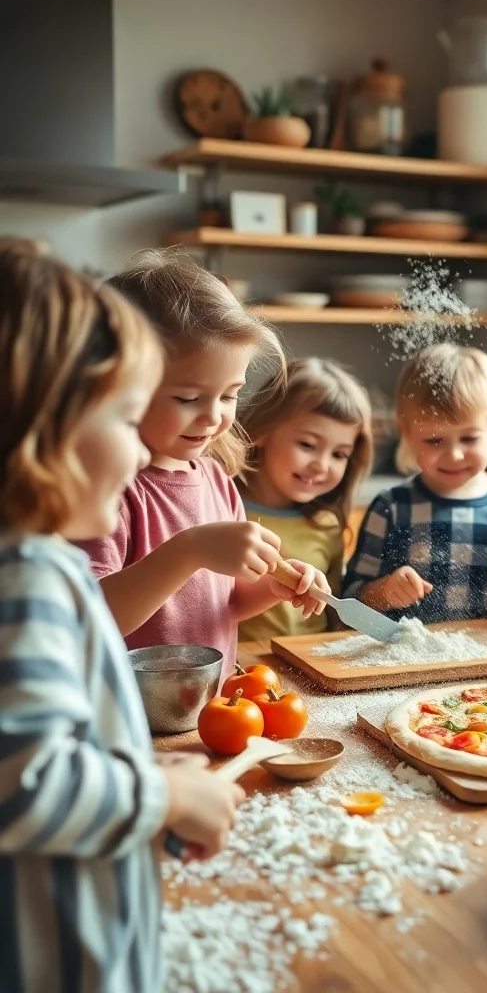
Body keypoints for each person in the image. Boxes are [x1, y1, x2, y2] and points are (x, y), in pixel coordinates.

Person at [0, 241, 243, 992]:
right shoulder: (27, 580)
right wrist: (166, 793)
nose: (142, 457)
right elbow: (23, 785)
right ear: (48, 427)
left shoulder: (42, 571)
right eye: (127, 419)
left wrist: (134, 782)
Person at [78, 251, 327, 679]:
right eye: (188, 398)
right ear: (118, 387)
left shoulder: (214, 477)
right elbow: (91, 618)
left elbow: (225, 602)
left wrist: (270, 587)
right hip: (131, 720)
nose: (214, 416)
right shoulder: (106, 489)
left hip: (205, 712)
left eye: (230, 395)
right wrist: (190, 550)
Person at [343, 343, 487, 621]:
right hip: (408, 658)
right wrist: (384, 592)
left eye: (469, 438)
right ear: (406, 433)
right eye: (434, 440)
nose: (454, 454)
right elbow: (350, 602)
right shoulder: (391, 508)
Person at [236, 357, 373, 640]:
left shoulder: (327, 525)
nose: (322, 465)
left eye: (339, 454)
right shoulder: (221, 508)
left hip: (308, 667)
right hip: (243, 673)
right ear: (262, 430)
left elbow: (333, 617)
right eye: (308, 445)